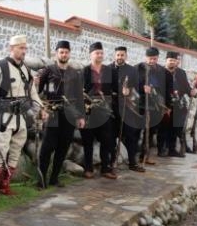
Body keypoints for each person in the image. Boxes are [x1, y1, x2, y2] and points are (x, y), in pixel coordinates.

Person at [0, 35, 41, 201]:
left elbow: (32, 92)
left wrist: (40, 108)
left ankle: (5, 185)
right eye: (21, 48)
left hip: (20, 117)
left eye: (25, 48)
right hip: (4, 116)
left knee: (16, 150)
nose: (24, 51)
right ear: (12, 48)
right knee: (0, 150)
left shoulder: (26, 70)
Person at [36, 40, 85, 188]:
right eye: (61, 52)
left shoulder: (74, 73)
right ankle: (41, 179)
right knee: (47, 147)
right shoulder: (48, 71)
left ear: (69, 54)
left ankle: (54, 178)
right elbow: (36, 93)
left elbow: (79, 96)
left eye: (66, 52)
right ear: (56, 53)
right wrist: (41, 106)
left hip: (69, 115)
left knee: (63, 147)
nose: (64, 54)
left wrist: (81, 116)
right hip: (52, 113)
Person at [80, 42, 117, 180]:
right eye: (97, 53)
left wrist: (123, 91)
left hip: (105, 110)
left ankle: (105, 168)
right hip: (89, 109)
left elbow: (115, 88)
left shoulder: (109, 71)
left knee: (107, 140)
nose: (100, 55)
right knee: (88, 141)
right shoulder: (85, 71)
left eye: (101, 53)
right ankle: (88, 168)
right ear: (91, 54)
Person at [109, 46, 145, 172]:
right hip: (112, 108)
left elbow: (136, 87)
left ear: (126, 56)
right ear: (115, 55)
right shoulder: (108, 69)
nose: (120, 57)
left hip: (127, 107)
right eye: (118, 55)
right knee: (112, 136)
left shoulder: (132, 70)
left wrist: (129, 90)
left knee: (131, 135)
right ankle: (112, 162)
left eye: (122, 55)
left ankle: (132, 162)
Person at [136, 47, 172, 163]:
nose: (152, 61)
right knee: (136, 131)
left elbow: (167, 91)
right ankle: (132, 157)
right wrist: (141, 88)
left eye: (154, 59)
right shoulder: (137, 68)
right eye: (150, 59)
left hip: (156, 106)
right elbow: (130, 84)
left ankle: (145, 155)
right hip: (140, 104)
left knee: (151, 131)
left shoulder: (164, 72)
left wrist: (167, 106)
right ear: (145, 57)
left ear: (158, 58)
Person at [163, 51, 193, 157]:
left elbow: (186, 87)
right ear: (166, 60)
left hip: (179, 104)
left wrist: (191, 92)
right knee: (167, 128)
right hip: (164, 105)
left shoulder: (181, 72)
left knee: (179, 127)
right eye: (170, 60)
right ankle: (167, 149)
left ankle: (180, 146)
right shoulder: (160, 71)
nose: (172, 62)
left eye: (175, 61)